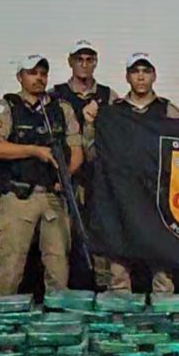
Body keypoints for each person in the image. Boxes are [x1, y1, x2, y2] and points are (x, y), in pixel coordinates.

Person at [0, 55, 84, 296]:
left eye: (43, 73)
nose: (38, 78)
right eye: (32, 73)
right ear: (20, 77)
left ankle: (57, 316)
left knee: (58, 268)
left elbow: (77, 152)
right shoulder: (7, 107)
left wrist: (65, 177)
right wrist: (34, 151)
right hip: (18, 196)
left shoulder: (61, 109)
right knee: (10, 267)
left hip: (53, 197)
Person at [105, 52, 179, 294]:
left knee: (161, 252)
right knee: (118, 250)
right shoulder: (113, 111)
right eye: (135, 71)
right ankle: (119, 303)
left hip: (157, 193)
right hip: (121, 192)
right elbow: (94, 148)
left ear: (154, 76)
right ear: (127, 77)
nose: (140, 77)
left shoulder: (169, 110)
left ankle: (163, 304)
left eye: (146, 71)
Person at [50, 40, 113, 290]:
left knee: (99, 238)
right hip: (65, 179)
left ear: (95, 62)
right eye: (79, 59)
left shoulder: (108, 96)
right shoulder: (54, 96)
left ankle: (101, 289)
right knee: (64, 240)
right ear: (70, 62)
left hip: (98, 179)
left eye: (89, 59)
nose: (84, 64)